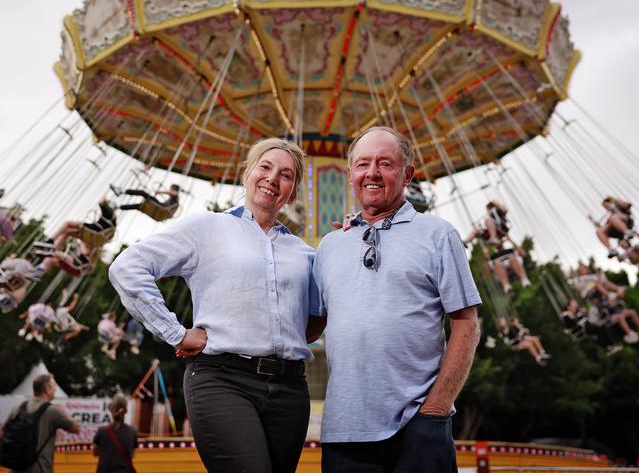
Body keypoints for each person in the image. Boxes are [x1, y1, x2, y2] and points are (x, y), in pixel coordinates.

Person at [109, 138, 324, 473]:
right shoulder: (207, 227)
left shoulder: (304, 253)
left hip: (290, 388)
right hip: (224, 379)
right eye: (264, 167)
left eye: (286, 175)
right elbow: (127, 268)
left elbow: (313, 319)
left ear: (293, 191)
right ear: (247, 174)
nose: (272, 178)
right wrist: (175, 333)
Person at [313, 126, 481, 472]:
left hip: (417, 425)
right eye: (362, 164)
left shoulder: (438, 235)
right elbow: (310, 326)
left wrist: (436, 408)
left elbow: (466, 324)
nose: (371, 173)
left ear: (407, 174)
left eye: (385, 164)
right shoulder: (330, 245)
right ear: (350, 175)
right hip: (344, 432)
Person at [1, 374, 80, 473]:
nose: (55, 389)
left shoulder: (18, 408)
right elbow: (76, 428)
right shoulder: (53, 411)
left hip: (15, 468)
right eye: (54, 386)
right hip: (40, 469)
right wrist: (64, 411)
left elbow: (2, 433)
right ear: (47, 389)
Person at [93, 393, 138, 473]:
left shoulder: (101, 431)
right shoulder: (132, 432)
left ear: (111, 409)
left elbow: (95, 453)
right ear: (126, 411)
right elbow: (132, 455)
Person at [110, 183, 180, 211]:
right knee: (139, 206)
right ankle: (118, 207)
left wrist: (160, 191)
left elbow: (174, 193)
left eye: (170, 188)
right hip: (160, 207)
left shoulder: (176, 197)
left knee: (143, 193)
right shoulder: (173, 199)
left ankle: (122, 191)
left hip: (161, 206)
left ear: (173, 189)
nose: (169, 190)